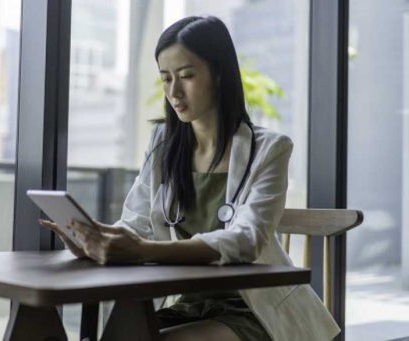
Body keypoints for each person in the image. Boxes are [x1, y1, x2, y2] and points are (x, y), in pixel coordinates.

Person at [40, 16, 339, 341]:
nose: (174, 91)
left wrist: (143, 251)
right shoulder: (163, 142)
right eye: (165, 78)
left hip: (255, 312)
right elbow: (137, 225)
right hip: (189, 305)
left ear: (220, 74)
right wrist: (94, 239)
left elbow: (246, 239)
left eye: (186, 76)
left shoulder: (270, 149)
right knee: (119, 336)